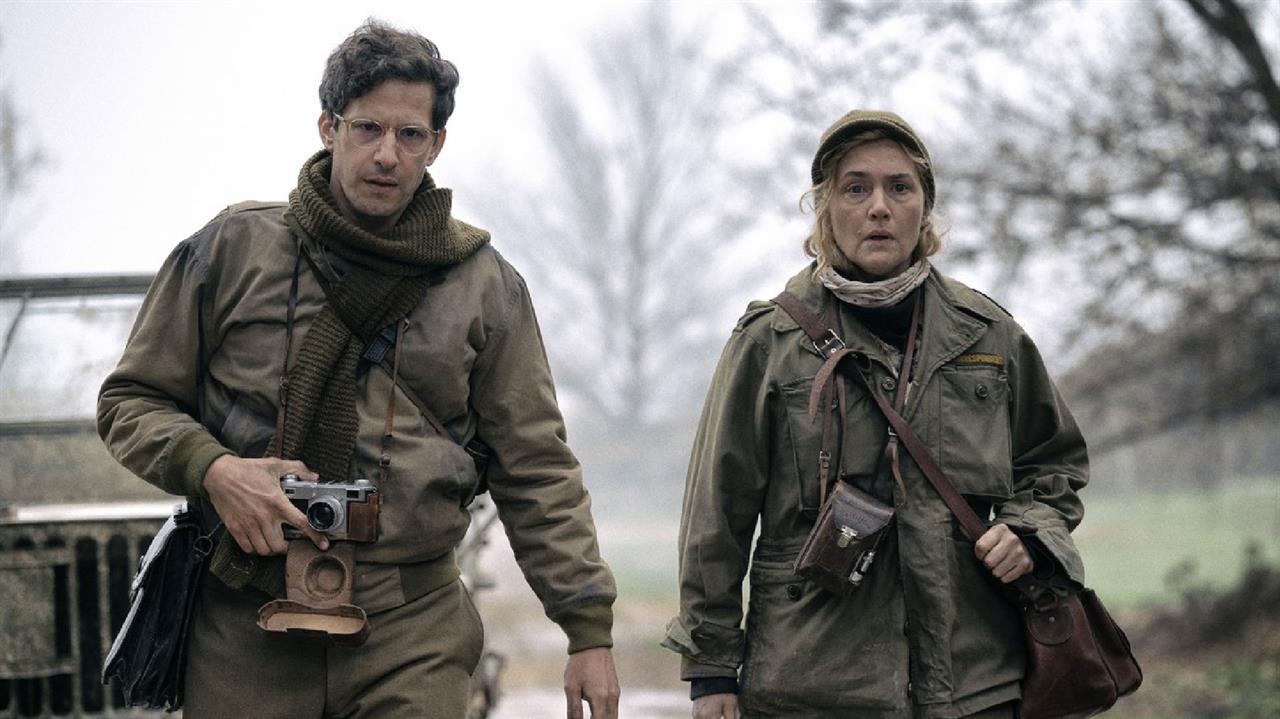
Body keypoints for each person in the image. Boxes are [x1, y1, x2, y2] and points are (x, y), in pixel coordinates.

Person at [98, 20, 620, 719]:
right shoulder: (231, 251)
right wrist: (215, 470)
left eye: (410, 135)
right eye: (367, 127)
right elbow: (130, 401)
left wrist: (588, 629)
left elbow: (536, 467)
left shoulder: (483, 287)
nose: (387, 154)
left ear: (436, 144)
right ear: (328, 127)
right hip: (244, 618)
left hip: (409, 627)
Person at [662, 110, 1089, 718]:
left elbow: (1054, 463)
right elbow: (717, 514)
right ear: (825, 209)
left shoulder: (989, 335)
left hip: (974, 682)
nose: (879, 208)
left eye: (900, 187)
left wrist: (1028, 532)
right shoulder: (770, 341)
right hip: (811, 687)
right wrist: (711, 673)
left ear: (925, 208)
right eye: (856, 188)